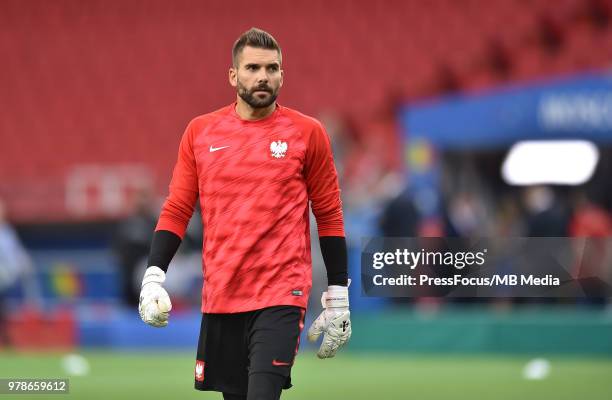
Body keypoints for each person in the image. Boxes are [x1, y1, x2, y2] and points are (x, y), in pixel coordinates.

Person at [138, 28, 351, 400]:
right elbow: (177, 209)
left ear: (283, 74)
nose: (263, 76)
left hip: (281, 294)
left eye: (272, 68)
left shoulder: (308, 133)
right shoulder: (200, 133)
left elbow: (329, 215)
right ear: (234, 76)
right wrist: (153, 278)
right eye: (253, 67)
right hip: (222, 294)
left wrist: (338, 293)